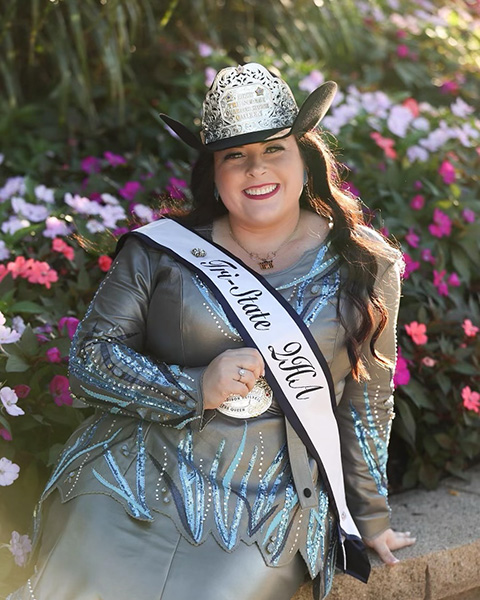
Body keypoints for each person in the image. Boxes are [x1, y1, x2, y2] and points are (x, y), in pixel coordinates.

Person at [8, 63, 415, 600]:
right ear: (214, 174)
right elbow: (90, 359)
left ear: (305, 157)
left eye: (274, 149)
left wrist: (371, 517)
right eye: (234, 156)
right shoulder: (161, 251)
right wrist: (194, 385)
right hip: (133, 474)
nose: (256, 168)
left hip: (268, 497)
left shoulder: (364, 263)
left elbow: (367, 399)